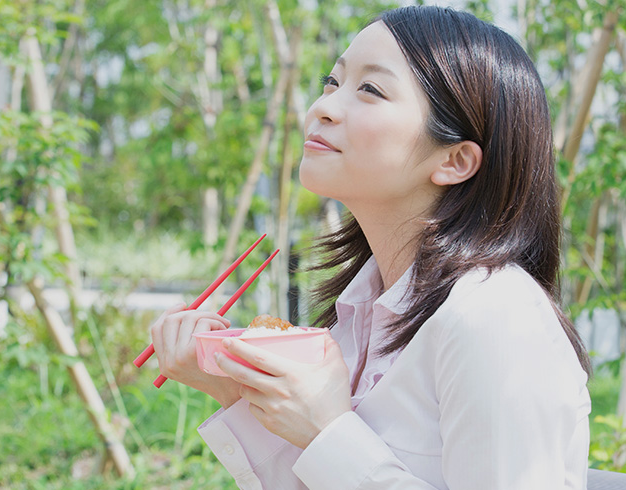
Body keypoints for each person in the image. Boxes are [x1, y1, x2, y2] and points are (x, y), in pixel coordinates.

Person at [149, 5, 592, 489]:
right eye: (333, 82)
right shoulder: (360, 312)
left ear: (455, 159)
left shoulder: (494, 317)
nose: (322, 106)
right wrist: (233, 391)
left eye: (371, 90)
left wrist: (328, 433)